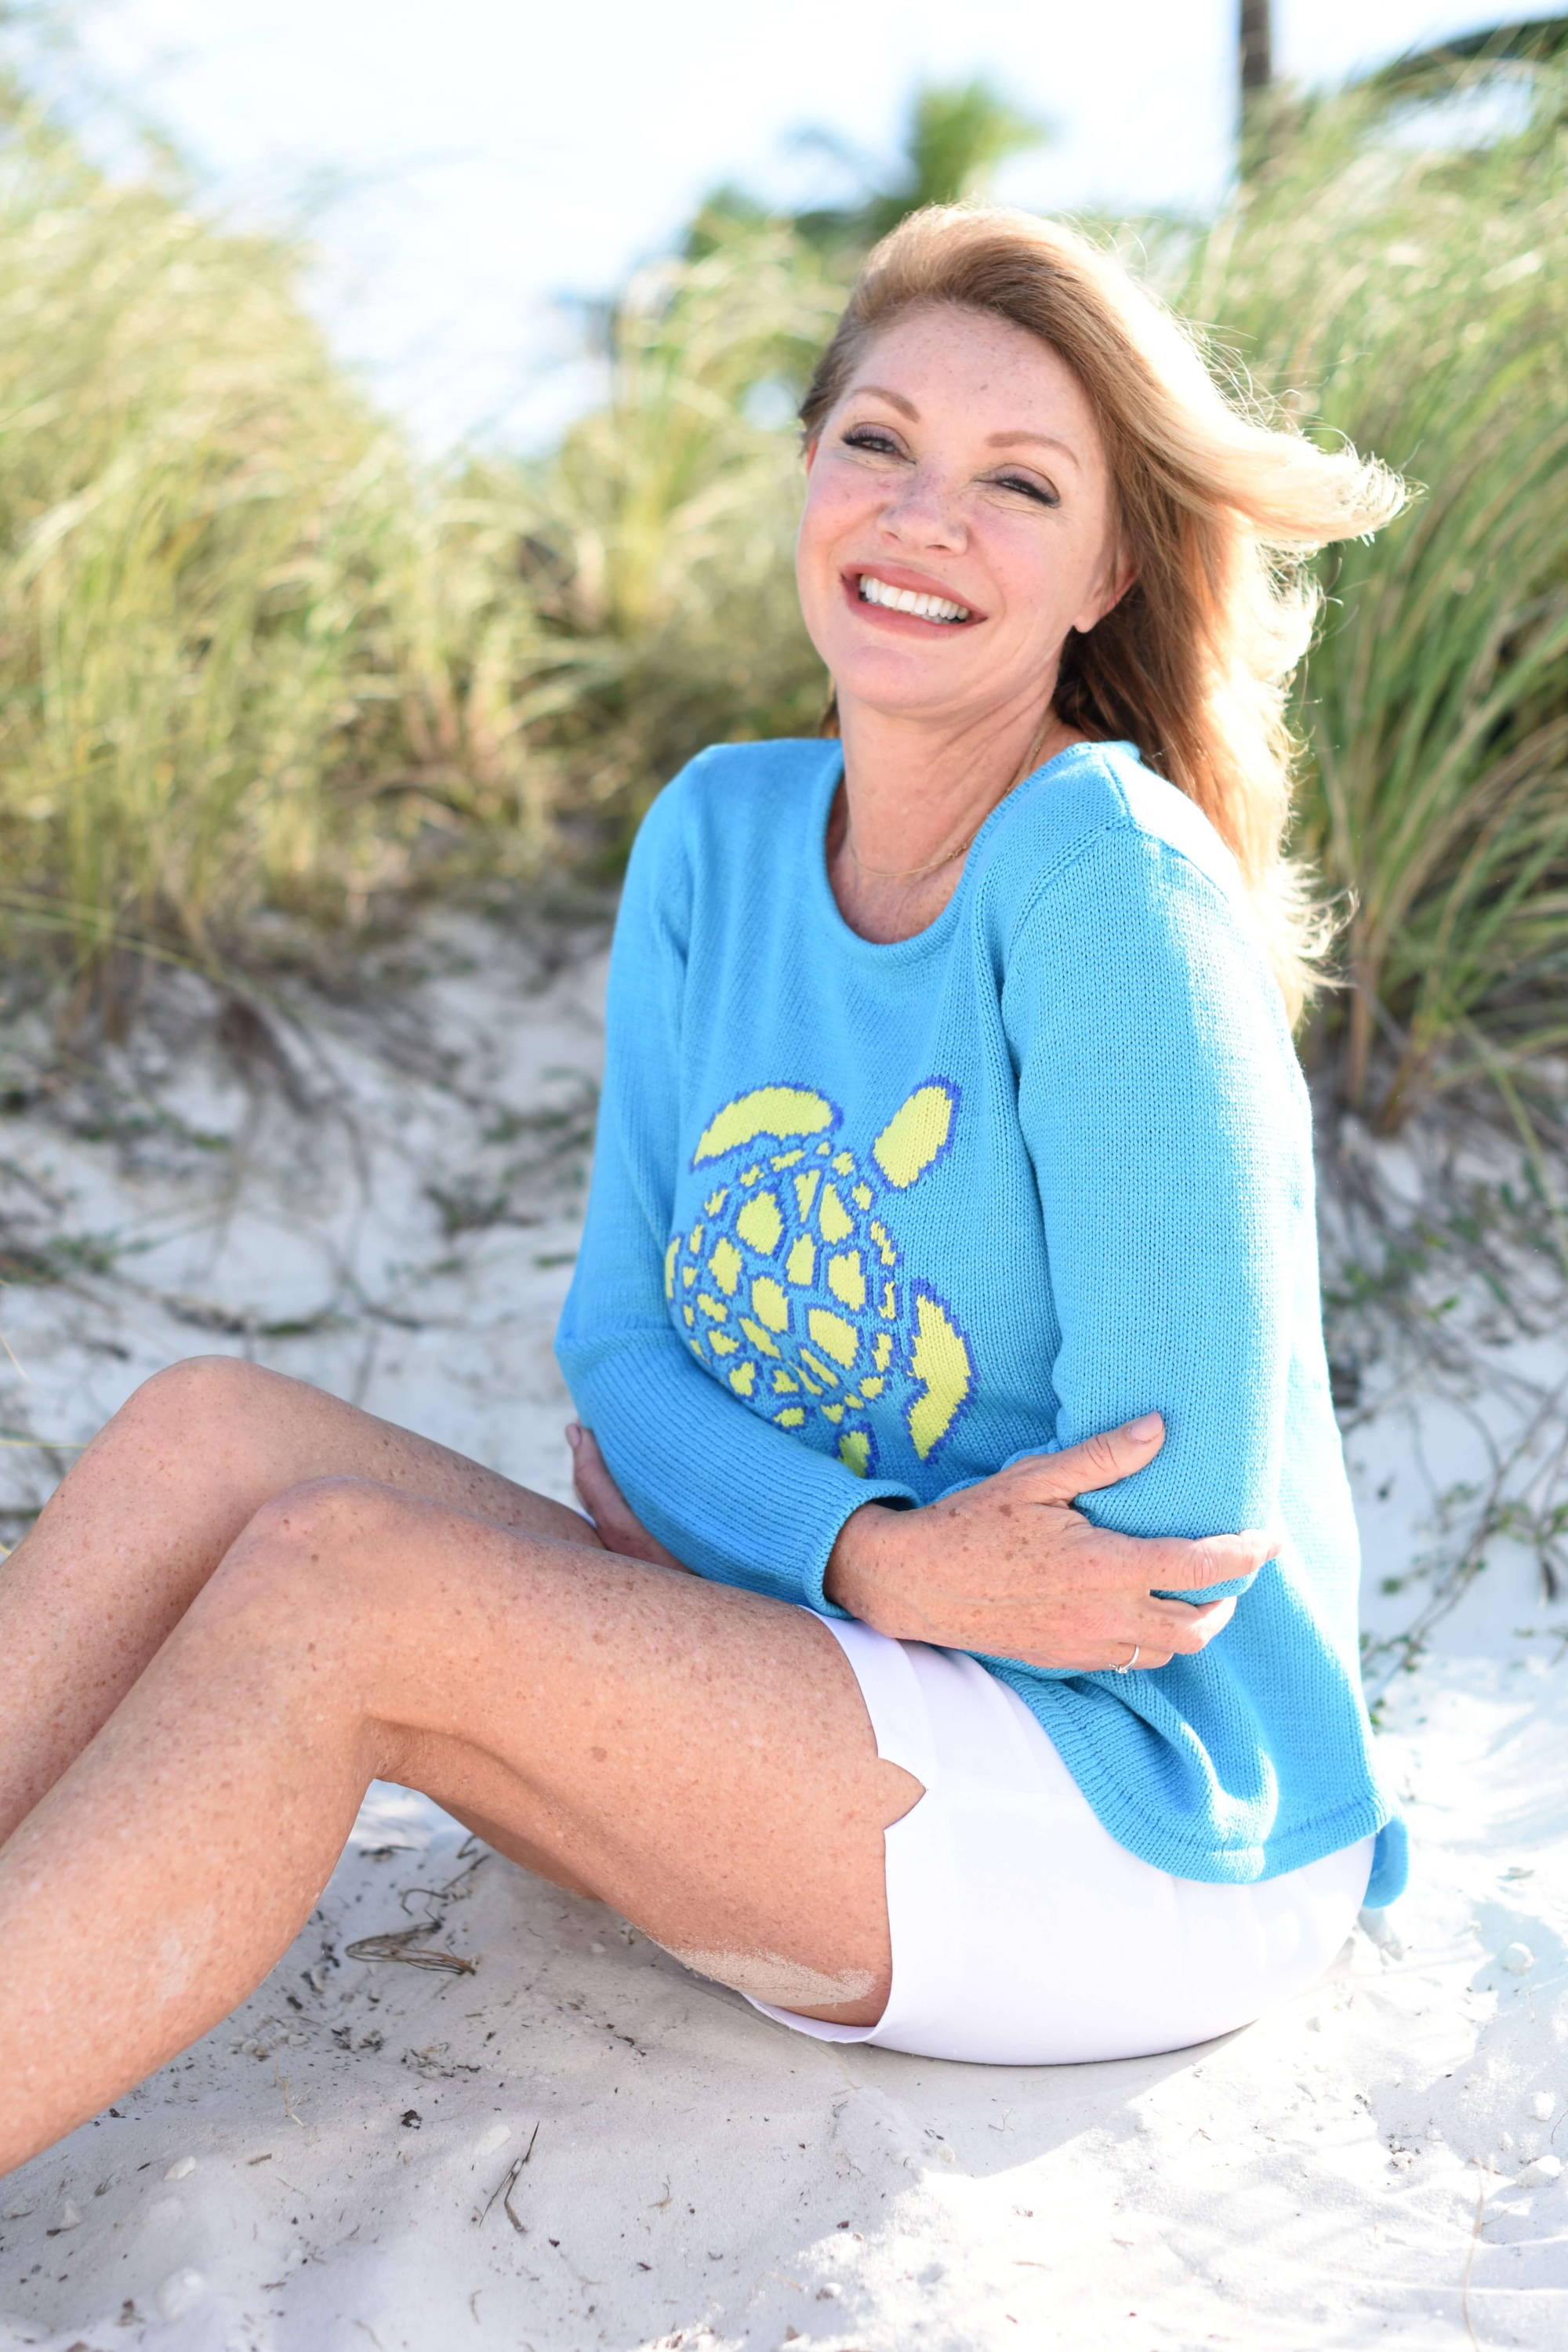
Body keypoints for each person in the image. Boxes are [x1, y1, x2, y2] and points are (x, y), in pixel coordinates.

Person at [0, 206, 1408, 2178]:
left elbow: (1159, 1558)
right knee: (200, 1437)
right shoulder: (717, 834)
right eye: (878, 444)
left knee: (331, 1591)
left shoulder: (1104, 880)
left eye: (1017, 484)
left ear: (1105, 567)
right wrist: (863, 1558)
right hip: (865, 1659)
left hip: (1147, 1809)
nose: (924, 517)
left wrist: (757, 1547)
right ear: (807, 472)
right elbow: (618, 1346)